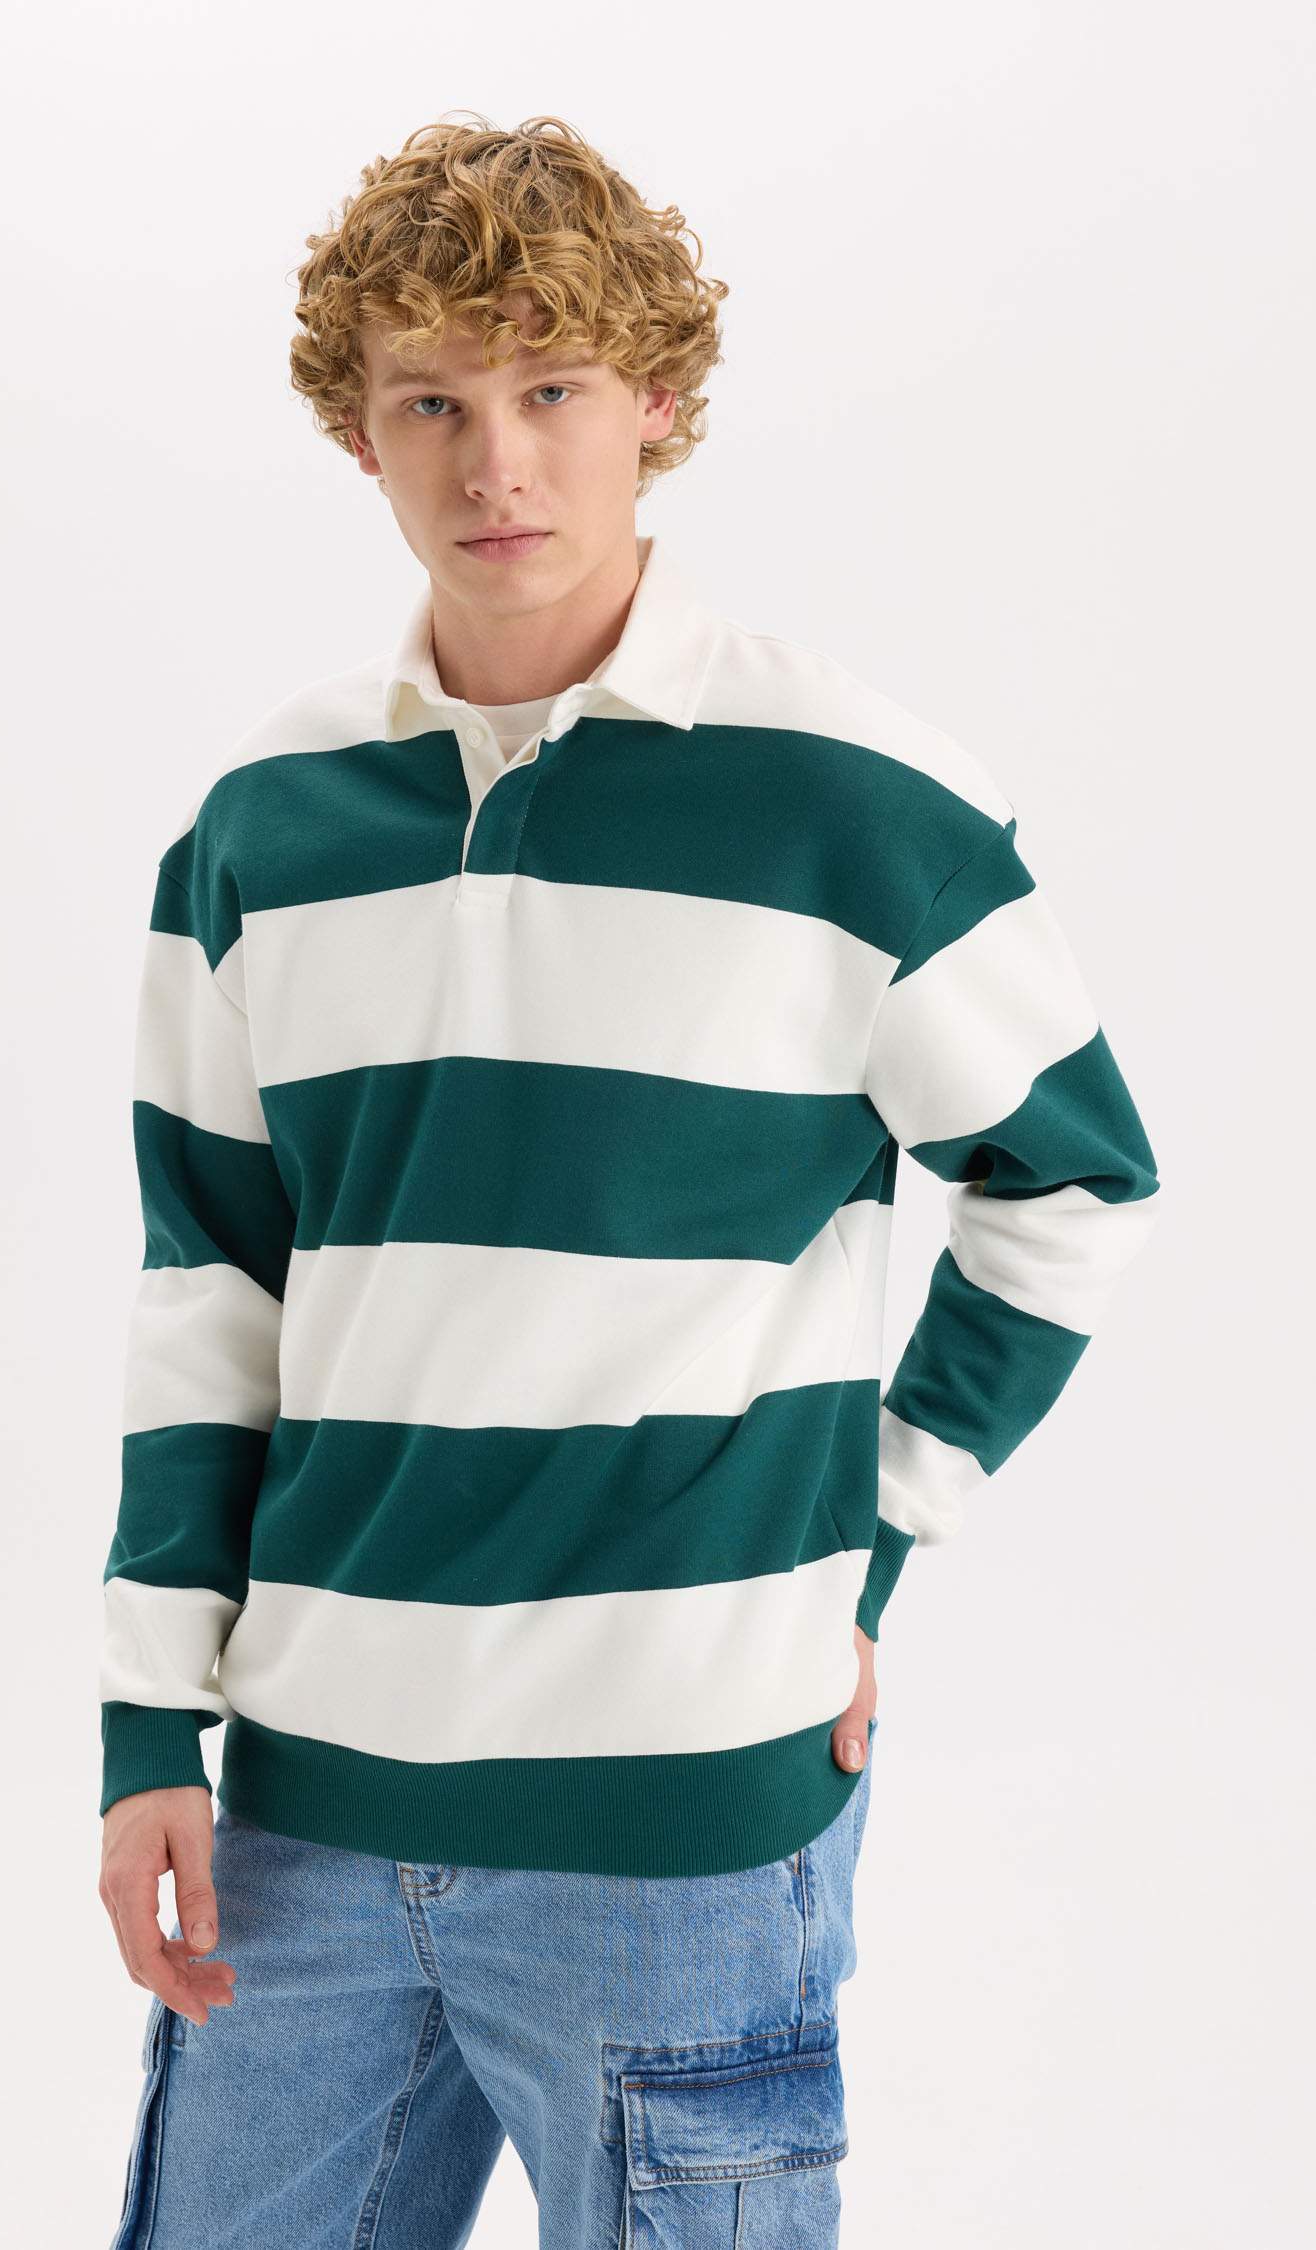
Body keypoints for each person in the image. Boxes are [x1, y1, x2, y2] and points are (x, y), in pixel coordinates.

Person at [97, 113, 1164, 2249]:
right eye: (432, 402)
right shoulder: (262, 830)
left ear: (656, 401)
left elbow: (1072, 1183)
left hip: (683, 1834)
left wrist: (871, 1537)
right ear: (359, 434)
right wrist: (146, 1728)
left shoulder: (857, 803)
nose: (495, 462)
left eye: (553, 387)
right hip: (302, 1820)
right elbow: (210, 1290)